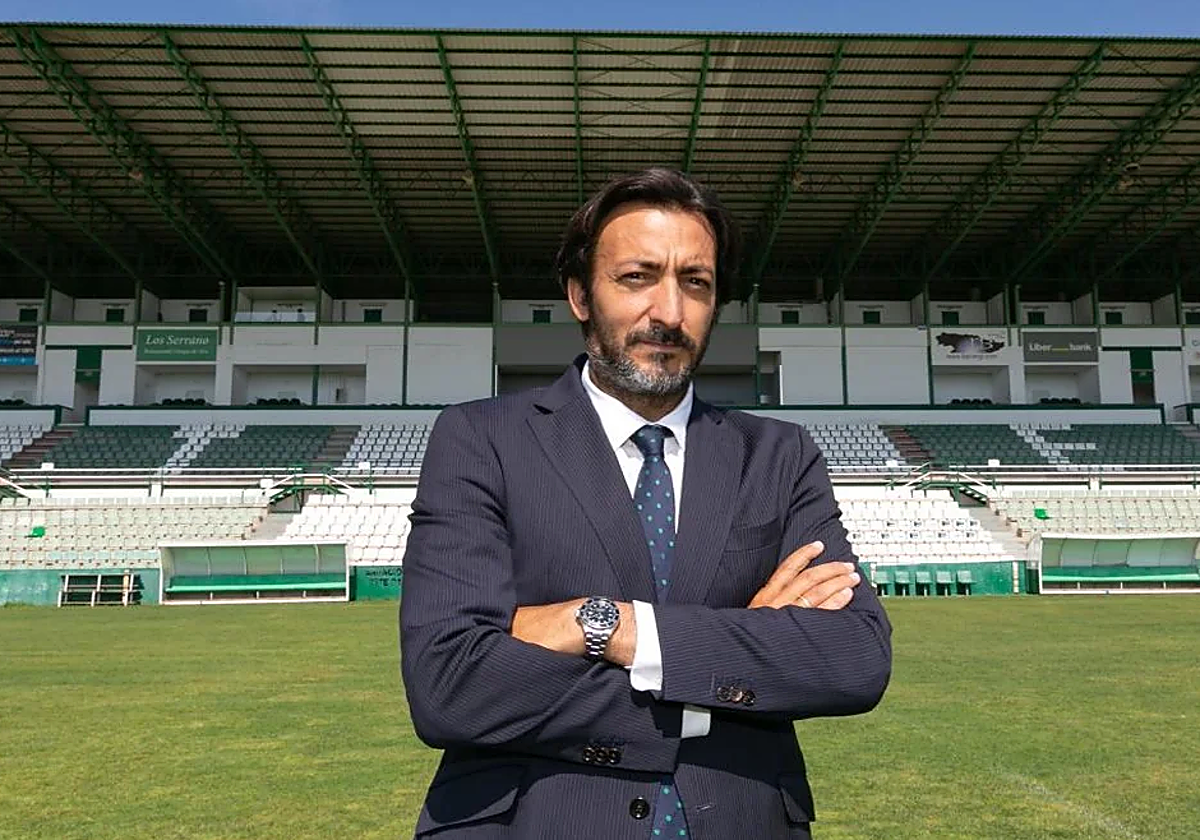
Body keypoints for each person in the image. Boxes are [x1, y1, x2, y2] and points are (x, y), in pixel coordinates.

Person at [400, 167, 892, 839]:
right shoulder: (481, 439)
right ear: (579, 295)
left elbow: (853, 658)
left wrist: (602, 624)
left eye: (696, 283)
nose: (668, 310)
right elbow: (450, 684)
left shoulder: (779, 455)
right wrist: (722, 667)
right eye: (637, 277)